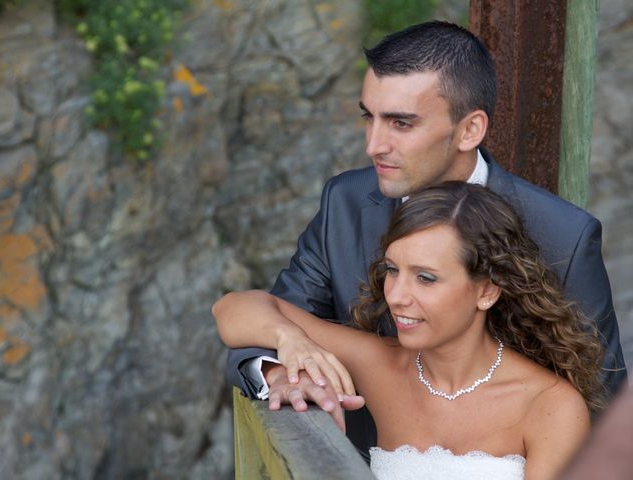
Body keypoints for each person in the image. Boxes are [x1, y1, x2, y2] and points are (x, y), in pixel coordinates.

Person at [225, 21, 627, 458]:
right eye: (369, 117)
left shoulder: (564, 237)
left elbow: (603, 406)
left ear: (470, 130)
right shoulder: (344, 201)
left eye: (401, 122)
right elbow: (268, 318)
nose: (374, 145)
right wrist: (282, 364)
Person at [214, 181, 606, 480]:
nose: (397, 296)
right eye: (392, 270)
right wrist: (291, 340)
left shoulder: (551, 406)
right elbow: (231, 309)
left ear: (486, 289)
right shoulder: (379, 364)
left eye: (426, 278)